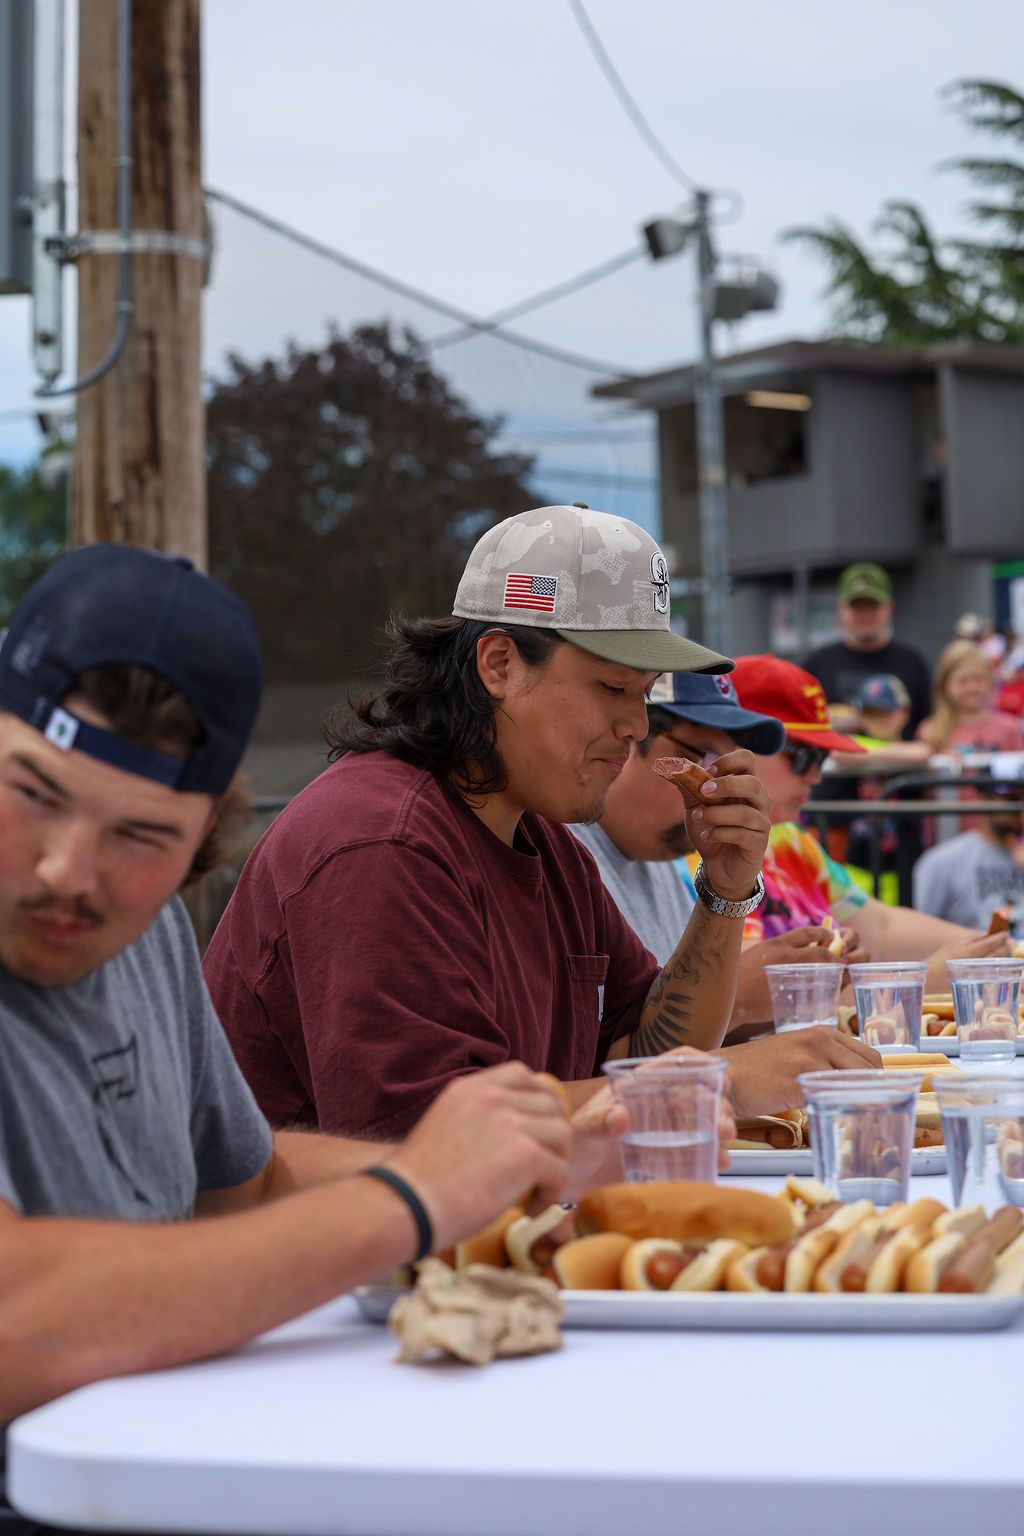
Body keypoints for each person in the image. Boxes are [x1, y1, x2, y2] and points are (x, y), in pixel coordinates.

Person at [0, 544, 626, 1458]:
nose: (70, 873)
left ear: (202, 845)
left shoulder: (148, 933)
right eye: (32, 795)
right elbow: (20, 1314)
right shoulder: (378, 839)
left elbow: (236, 1188)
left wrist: (509, 1158)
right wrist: (410, 1193)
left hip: (171, 1459)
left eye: (141, 836)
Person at [205, 503, 778, 1140]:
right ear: (499, 664)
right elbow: (435, 1145)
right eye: (613, 688)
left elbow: (643, 1047)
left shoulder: (540, 839)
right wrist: (722, 1080)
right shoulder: (380, 844)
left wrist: (725, 892)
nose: (637, 728)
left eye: (644, 695)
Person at [570, 671, 880, 1057]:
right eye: (702, 759)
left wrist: (783, 993)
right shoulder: (567, 855)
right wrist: (739, 999)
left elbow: (668, 1043)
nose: (714, 784)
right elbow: (612, 1064)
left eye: (726, 762)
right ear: (627, 740)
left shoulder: (658, 854)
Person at [727, 654, 1016, 996]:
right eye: (804, 756)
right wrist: (920, 984)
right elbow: (744, 1004)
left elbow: (879, 926)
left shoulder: (789, 838)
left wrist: (999, 949)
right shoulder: (705, 856)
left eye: (821, 758)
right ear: (733, 744)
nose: (817, 775)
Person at [805, 561, 932, 864]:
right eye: (856, 606)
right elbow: (809, 732)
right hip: (836, 815)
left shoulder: (912, 661)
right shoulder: (818, 663)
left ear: (889, 608)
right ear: (841, 610)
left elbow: (929, 730)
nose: (865, 614)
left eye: (873, 605)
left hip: (900, 813)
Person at [913, 781, 1024, 934]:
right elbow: (920, 933)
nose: (1019, 807)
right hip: (977, 954)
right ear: (983, 799)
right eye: (1012, 799)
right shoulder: (942, 861)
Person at [916, 639, 1024, 757]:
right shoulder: (931, 732)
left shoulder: (1009, 729)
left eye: (978, 679)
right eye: (963, 681)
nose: (972, 688)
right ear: (945, 685)